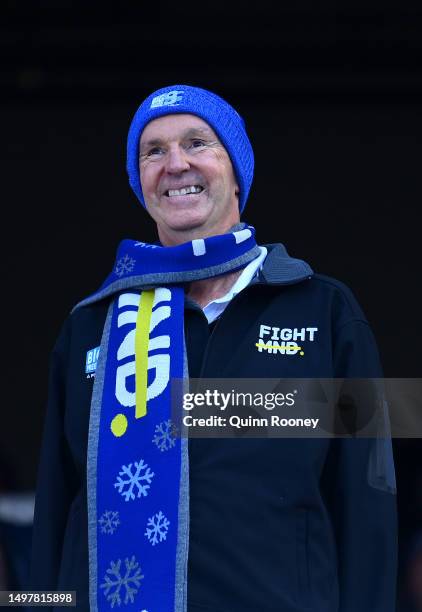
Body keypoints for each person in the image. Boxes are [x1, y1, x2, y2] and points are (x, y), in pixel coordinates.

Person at [30, 85, 397, 612]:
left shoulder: (324, 311)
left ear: (236, 169)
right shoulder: (92, 325)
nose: (175, 163)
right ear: (140, 182)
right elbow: (54, 513)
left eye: (197, 142)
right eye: (153, 151)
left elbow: (368, 506)